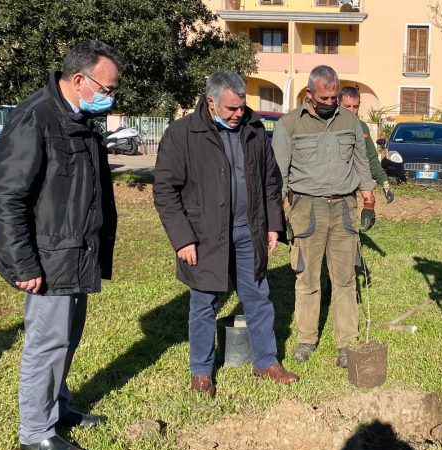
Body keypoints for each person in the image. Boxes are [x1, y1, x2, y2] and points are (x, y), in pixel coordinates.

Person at [0, 40, 122, 450]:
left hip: (75, 253)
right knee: (47, 344)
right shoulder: (37, 118)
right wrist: (22, 263)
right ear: (79, 79)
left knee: (67, 339)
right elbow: (4, 195)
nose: (111, 96)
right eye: (107, 87)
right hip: (46, 258)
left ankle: (56, 408)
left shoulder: (77, 118)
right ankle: (35, 433)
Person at [154, 70, 299, 396]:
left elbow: (269, 181)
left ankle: (266, 361)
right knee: (204, 302)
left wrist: (273, 225)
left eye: (241, 107)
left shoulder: (254, 130)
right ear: (211, 102)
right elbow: (165, 191)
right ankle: (201, 372)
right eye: (231, 108)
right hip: (204, 235)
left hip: (250, 230)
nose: (238, 114)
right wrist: (182, 238)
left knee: (258, 297)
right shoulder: (182, 134)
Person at [272, 65, 376, 368]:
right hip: (307, 208)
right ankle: (307, 339)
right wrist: (276, 215)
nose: (331, 103)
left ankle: (346, 342)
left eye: (334, 97)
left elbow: (361, 163)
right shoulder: (290, 125)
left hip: (344, 208)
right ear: (309, 94)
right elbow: (279, 174)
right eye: (325, 98)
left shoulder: (350, 122)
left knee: (344, 279)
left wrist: (368, 199)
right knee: (307, 278)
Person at [338, 86, 395, 208]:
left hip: (350, 189)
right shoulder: (330, 126)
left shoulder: (362, 127)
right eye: (347, 106)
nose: (351, 111)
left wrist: (385, 183)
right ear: (338, 104)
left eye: (355, 107)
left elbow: (371, 158)